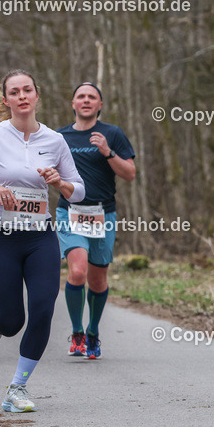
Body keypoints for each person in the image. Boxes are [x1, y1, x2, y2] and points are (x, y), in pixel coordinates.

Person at [0, 70, 85, 412]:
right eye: (15, 91)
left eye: (28, 89)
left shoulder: (55, 141)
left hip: (40, 237)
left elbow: (79, 189)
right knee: (11, 324)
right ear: (6, 100)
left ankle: (17, 388)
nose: (23, 95)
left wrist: (60, 183)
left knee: (43, 307)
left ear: (37, 96)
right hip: (1, 237)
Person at [56, 82, 135, 359]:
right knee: (78, 271)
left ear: (100, 105)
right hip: (70, 211)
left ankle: (92, 331)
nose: (86, 100)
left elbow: (130, 174)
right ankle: (77, 333)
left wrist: (108, 152)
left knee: (98, 280)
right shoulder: (59, 136)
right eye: (81, 96)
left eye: (92, 97)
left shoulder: (112, 134)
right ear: (73, 103)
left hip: (103, 214)